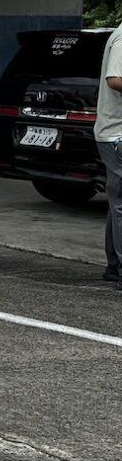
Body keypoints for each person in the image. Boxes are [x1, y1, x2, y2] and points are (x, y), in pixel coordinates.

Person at [96, 21, 122, 283]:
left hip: (112, 134)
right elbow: (114, 79)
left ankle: (114, 266)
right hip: (117, 135)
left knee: (117, 203)